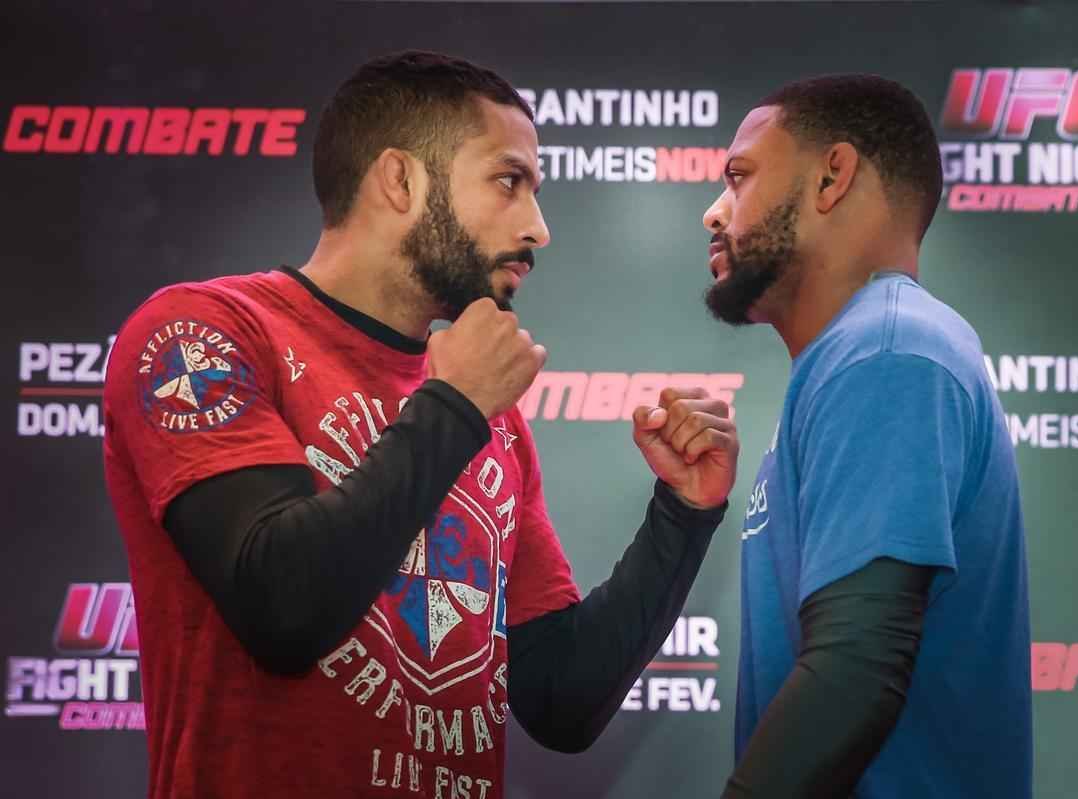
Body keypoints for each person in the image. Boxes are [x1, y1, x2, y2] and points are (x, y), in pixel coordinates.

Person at [102, 50, 739, 799]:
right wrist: (457, 406)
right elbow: (282, 607)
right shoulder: (204, 333)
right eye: (510, 182)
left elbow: (562, 699)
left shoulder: (483, 415)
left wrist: (683, 513)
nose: (539, 228)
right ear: (399, 180)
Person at [702, 75, 1031, 798]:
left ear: (832, 176)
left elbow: (855, 668)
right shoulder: (860, 358)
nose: (712, 211)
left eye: (739, 176)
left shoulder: (886, 352)